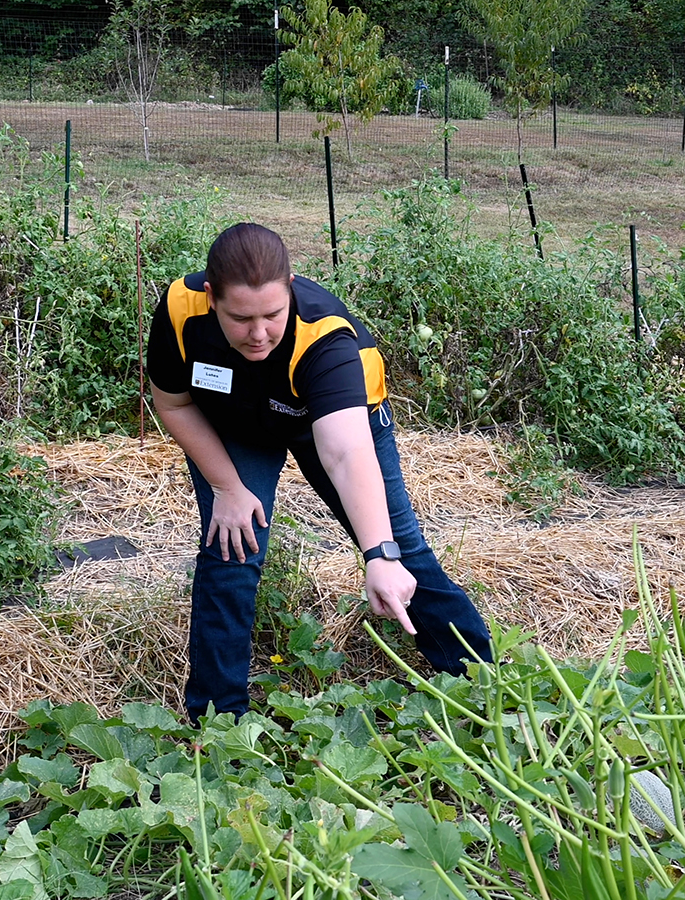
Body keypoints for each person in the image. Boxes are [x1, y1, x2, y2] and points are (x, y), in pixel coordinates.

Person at [147, 223, 493, 721]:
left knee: (402, 553)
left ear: (290, 286)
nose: (259, 333)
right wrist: (228, 487)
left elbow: (346, 453)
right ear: (210, 298)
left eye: (272, 314)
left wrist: (379, 553)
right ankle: (218, 725)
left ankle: (480, 681)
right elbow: (174, 404)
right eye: (241, 319)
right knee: (230, 554)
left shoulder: (327, 340)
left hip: (331, 422)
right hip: (235, 418)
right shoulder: (182, 311)